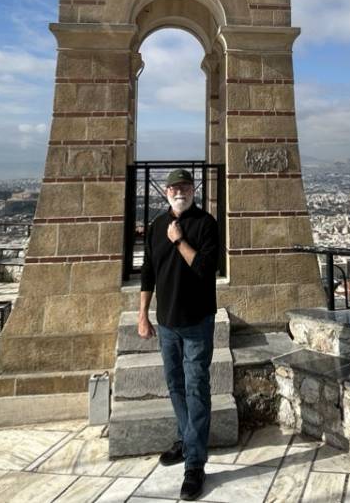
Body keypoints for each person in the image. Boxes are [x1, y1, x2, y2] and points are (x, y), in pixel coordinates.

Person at [138, 168, 220, 502]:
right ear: (166, 191)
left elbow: (204, 269)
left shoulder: (206, 224)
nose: (179, 191)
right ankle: (187, 440)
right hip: (167, 323)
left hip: (197, 321)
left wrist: (179, 240)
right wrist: (142, 314)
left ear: (193, 189)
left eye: (184, 186)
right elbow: (148, 272)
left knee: (196, 387)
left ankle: (195, 464)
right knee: (175, 385)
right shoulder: (157, 225)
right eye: (174, 187)